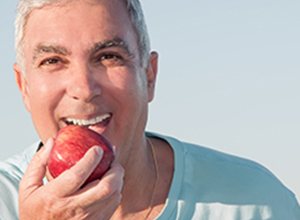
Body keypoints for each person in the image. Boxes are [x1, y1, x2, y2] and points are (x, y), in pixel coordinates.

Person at [0, 0, 299, 219]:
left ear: (149, 75)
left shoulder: (256, 202)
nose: (83, 88)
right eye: (52, 60)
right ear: (23, 87)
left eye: (108, 56)